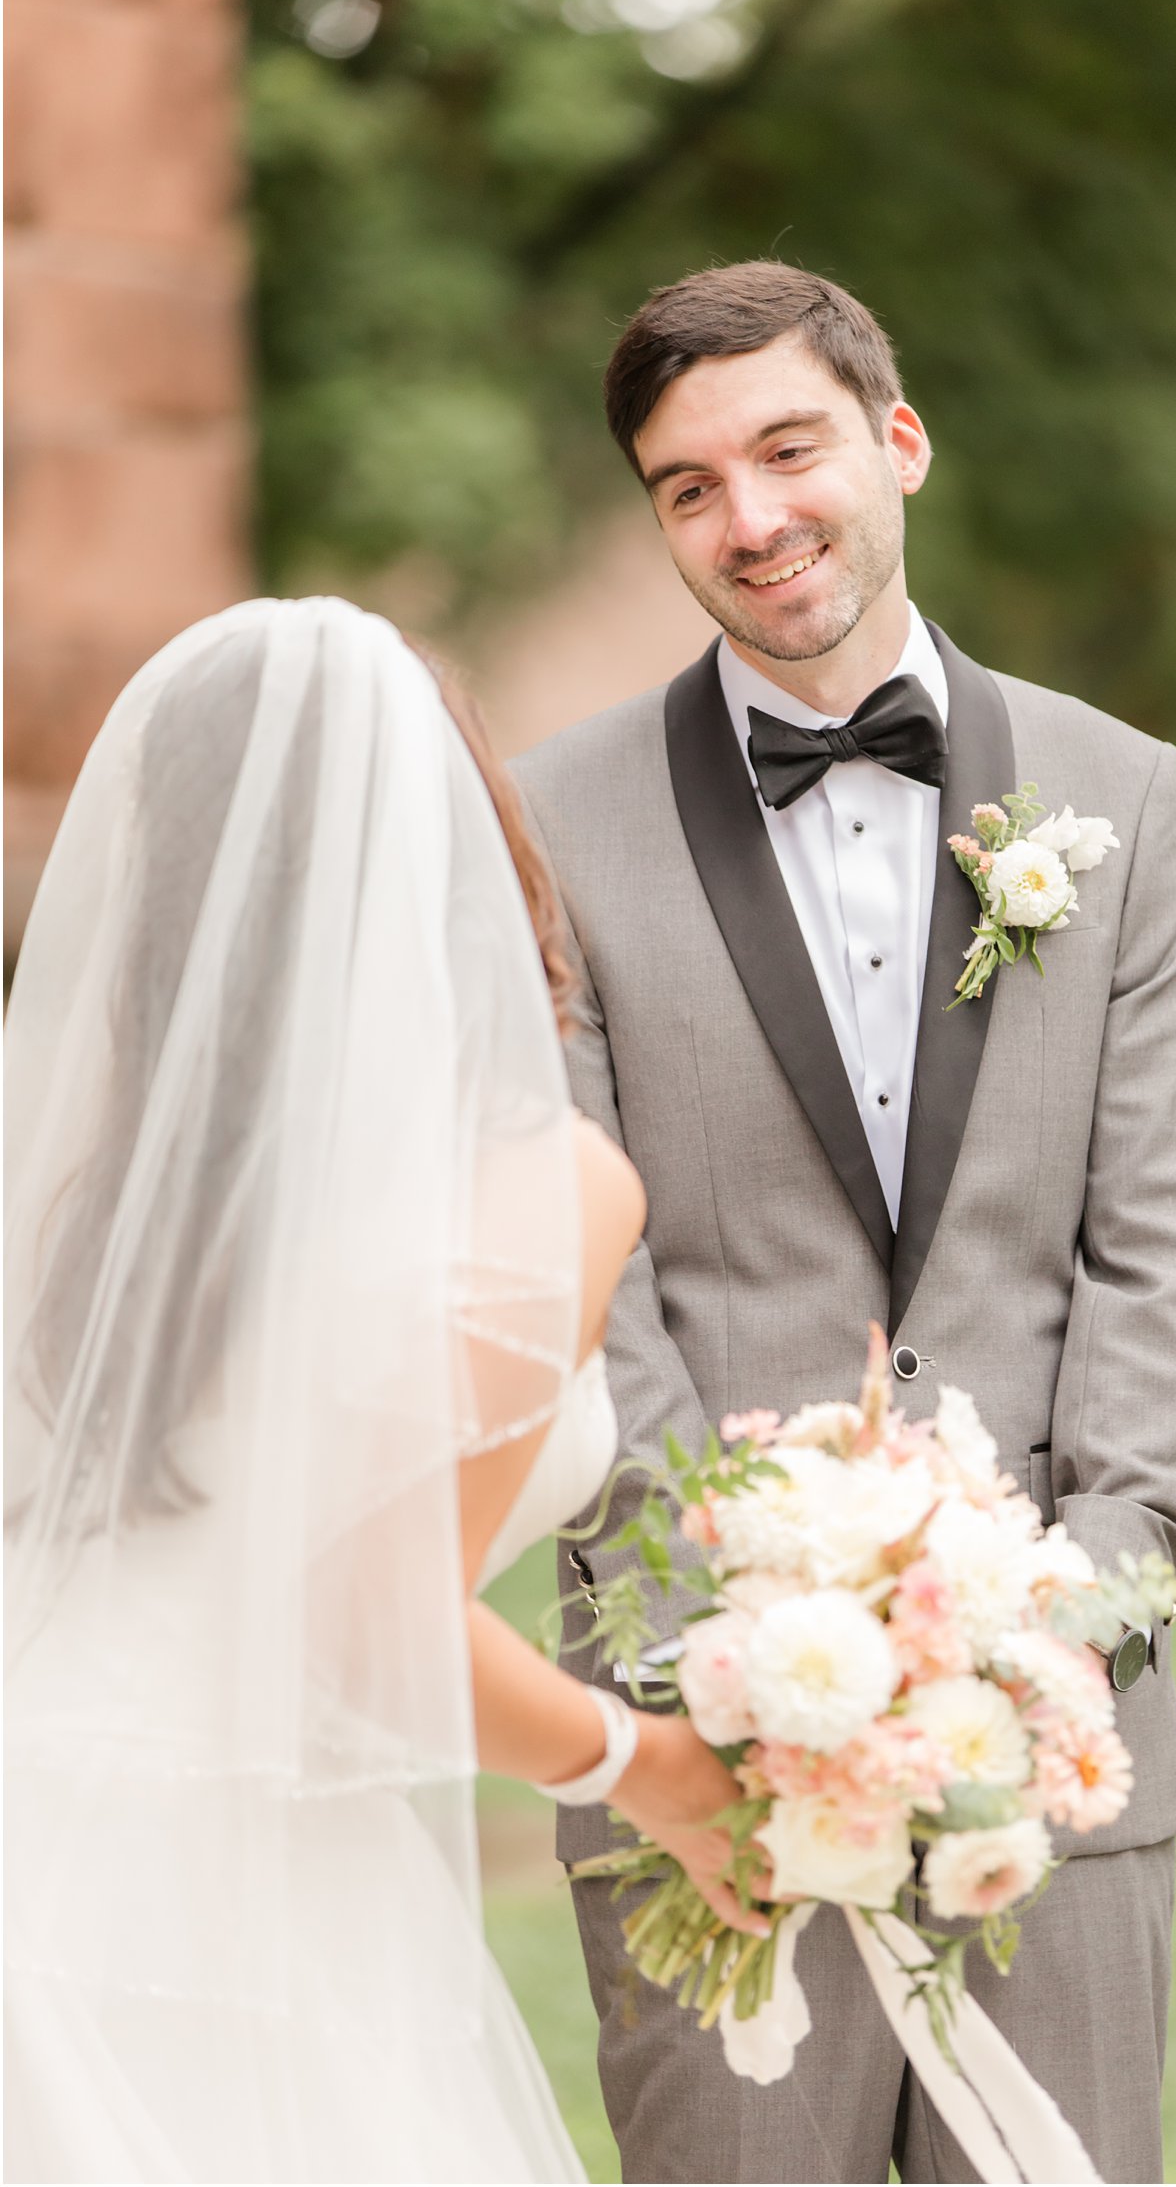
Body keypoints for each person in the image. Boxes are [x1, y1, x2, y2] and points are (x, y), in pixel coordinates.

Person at [510, 262, 1176, 2185]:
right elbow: (588, 1295)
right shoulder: (546, 828)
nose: (750, 519)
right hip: (701, 1760)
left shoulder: (1121, 797)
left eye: (787, 448)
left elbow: (1159, 1241)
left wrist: (1057, 1636)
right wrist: (728, 1672)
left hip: (1056, 1753)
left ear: (896, 441)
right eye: (687, 486)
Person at [3, 595, 762, 2184]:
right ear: (470, 850)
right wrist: (653, 1766)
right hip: (225, 1864)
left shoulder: (99, 1159)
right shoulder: (539, 1182)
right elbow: (362, 1622)